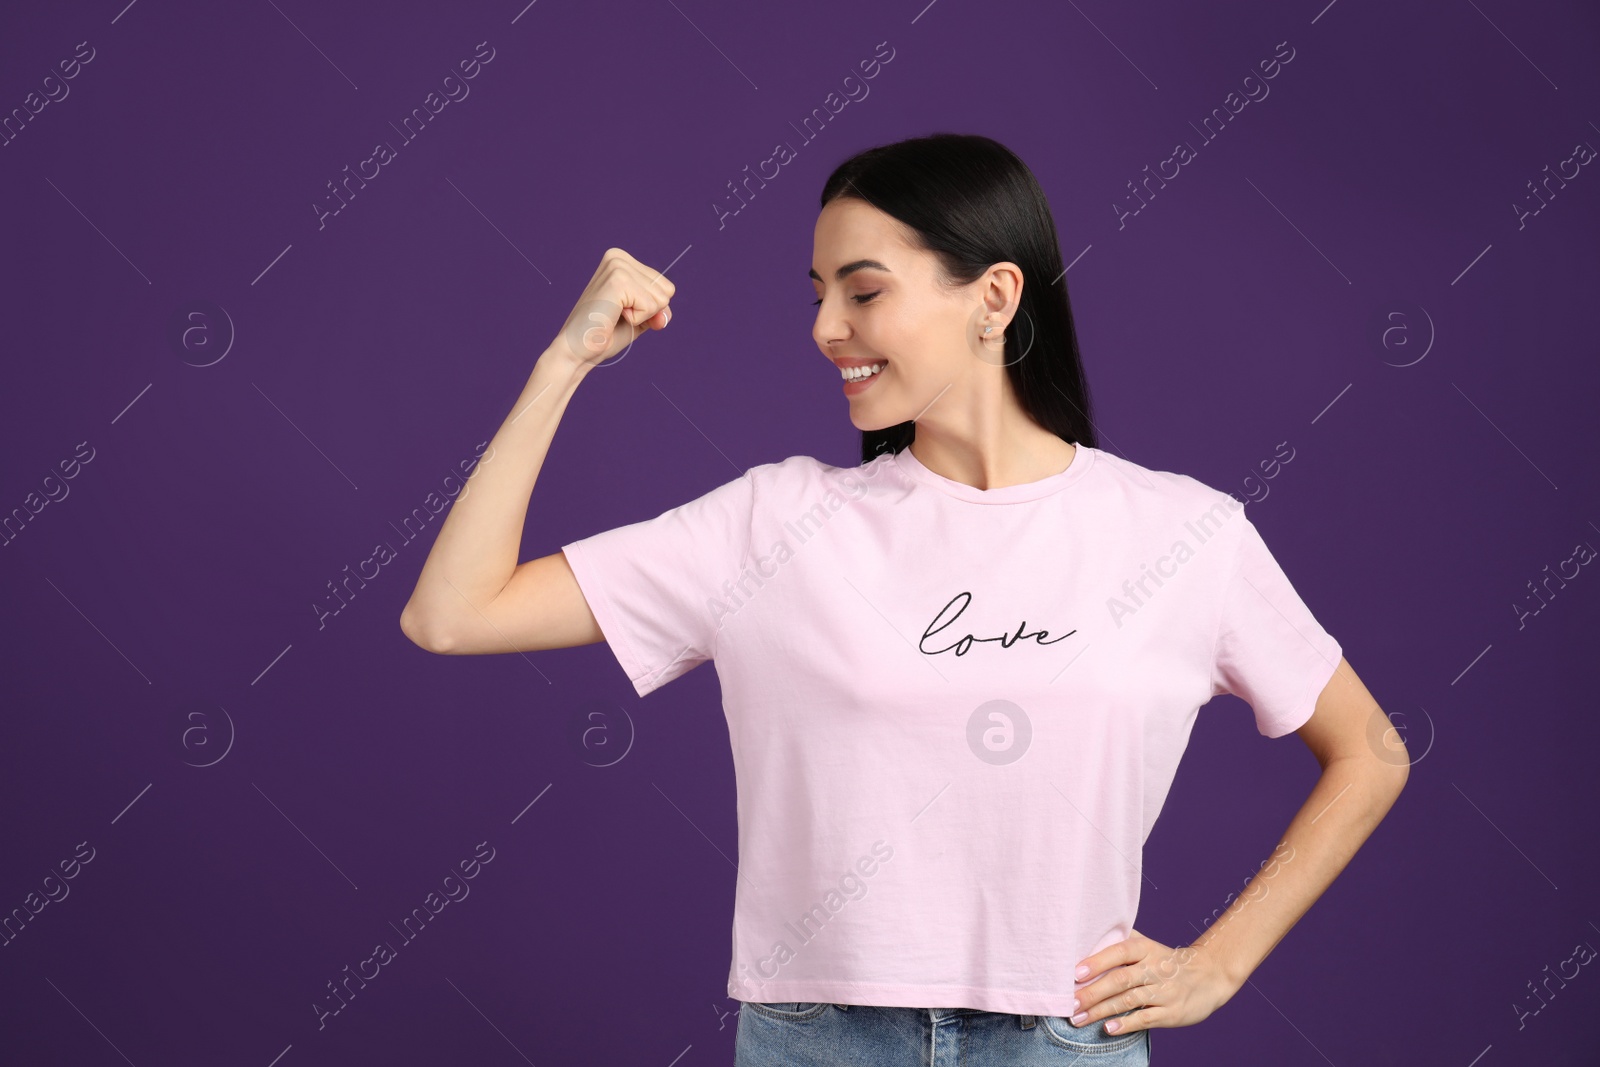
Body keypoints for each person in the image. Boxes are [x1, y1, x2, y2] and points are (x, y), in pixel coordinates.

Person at [398, 133, 1409, 1067]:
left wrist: (1217, 961)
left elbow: (1367, 749)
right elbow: (452, 612)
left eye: (863, 290)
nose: (826, 327)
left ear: (994, 296)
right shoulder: (774, 522)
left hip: (1063, 1043)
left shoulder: (1180, 531)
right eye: (816, 294)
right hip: (817, 1039)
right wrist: (562, 362)